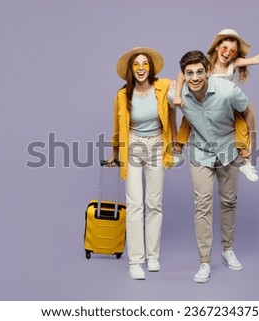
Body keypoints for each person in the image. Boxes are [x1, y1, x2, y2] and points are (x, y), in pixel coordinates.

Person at [169, 50, 255, 283]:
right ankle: (204, 262)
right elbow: (159, 101)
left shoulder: (228, 91)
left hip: (228, 151)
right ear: (184, 75)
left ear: (208, 71)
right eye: (189, 73)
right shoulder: (178, 95)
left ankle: (228, 249)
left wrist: (249, 143)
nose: (195, 77)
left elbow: (247, 111)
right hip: (200, 153)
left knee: (229, 200)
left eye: (199, 71)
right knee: (202, 205)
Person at [173, 28, 259, 182]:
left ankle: (245, 162)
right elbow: (182, 74)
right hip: (204, 101)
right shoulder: (206, 64)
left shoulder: (233, 64)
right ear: (217, 47)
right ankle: (178, 149)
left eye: (233, 51)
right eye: (225, 48)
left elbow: (257, 59)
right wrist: (177, 93)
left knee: (240, 125)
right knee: (188, 118)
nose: (227, 53)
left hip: (225, 105)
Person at [107, 47, 176, 280]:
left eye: (145, 64)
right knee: (135, 204)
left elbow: (181, 89)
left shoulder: (163, 86)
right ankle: (135, 261)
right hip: (133, 147)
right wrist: (114, 152)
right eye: (136, 64)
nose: (140, 68)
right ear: (130, 69)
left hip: (157, 145)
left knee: (154, 204)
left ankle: (152, 256)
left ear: (151, 67)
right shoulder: (122, 95)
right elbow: (118, 126)